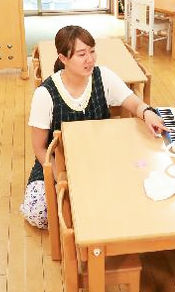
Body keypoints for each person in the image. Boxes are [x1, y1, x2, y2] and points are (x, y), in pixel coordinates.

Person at [21, 25, 166, 229]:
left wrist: (147, 112)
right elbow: (40, 148)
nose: (90, 59)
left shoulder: (102, 76)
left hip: (100, 158)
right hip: (60, 163)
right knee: (39, 213)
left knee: (135, 195)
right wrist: (63, 177)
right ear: (63, 58)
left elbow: (134, 103)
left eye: (91, 51)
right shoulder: (45, 94)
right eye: (81, 54)